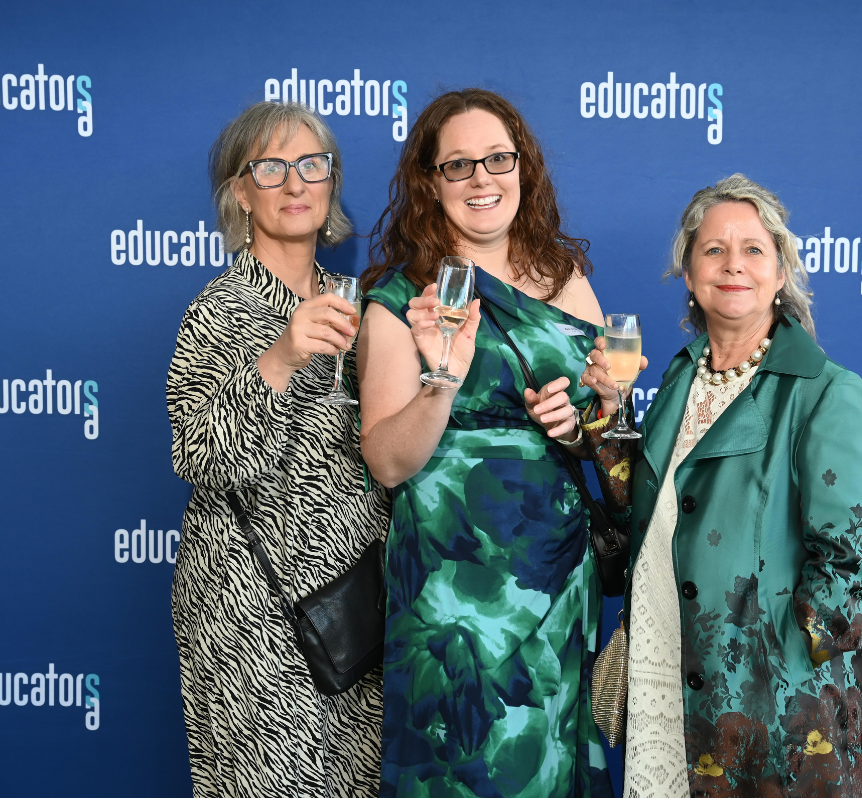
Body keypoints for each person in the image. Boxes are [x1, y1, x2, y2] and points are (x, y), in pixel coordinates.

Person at [580, 174, 862, 797]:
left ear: (780, 273)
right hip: (665, 670)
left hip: (767, 704)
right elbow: (648, 513)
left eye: (752, 250)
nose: (732, 265)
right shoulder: (677, 378)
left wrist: (772, 665)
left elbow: (846, 570)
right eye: (713, 250)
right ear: (689, 275)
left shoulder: (826, 391)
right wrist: (609, 419)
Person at [357, 88, 613, 797]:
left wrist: (585, 422)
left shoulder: (569, 282)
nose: (481, 179)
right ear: (429, 183)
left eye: (497, 159)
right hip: (452, 597)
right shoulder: (400, 297)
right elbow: (385, 460)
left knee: (546, 763)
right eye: (458, 165)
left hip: (553, 575)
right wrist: (442, 377)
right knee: (463, 768)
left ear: (523, 167)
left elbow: (604, 432)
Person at [166, 101, 390, 798]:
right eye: (270, 168)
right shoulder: (220, 310)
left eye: (310, 165)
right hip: (255, 612)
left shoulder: (356, 303)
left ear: (330, 185)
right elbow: (197, 455)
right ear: (240, 192)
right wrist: (283, 355)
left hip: (354, 605)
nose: (295, 183)